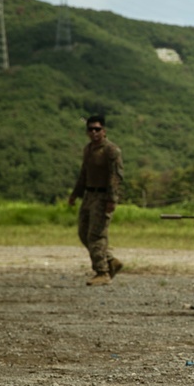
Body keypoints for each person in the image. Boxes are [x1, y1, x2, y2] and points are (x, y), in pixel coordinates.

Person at [68, 115, 124, 286]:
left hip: (103, 196)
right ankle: (110, 260)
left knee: (96, 235)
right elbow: (84, 174)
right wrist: (75, 194)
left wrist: (112, 199)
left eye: (97, 129)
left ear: (104, 131)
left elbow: (116, 176)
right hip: (89, 195)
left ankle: (102, 272)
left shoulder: (111, 150)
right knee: (84, 233)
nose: (94, 132)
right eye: (90, 129)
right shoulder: (89, 149)